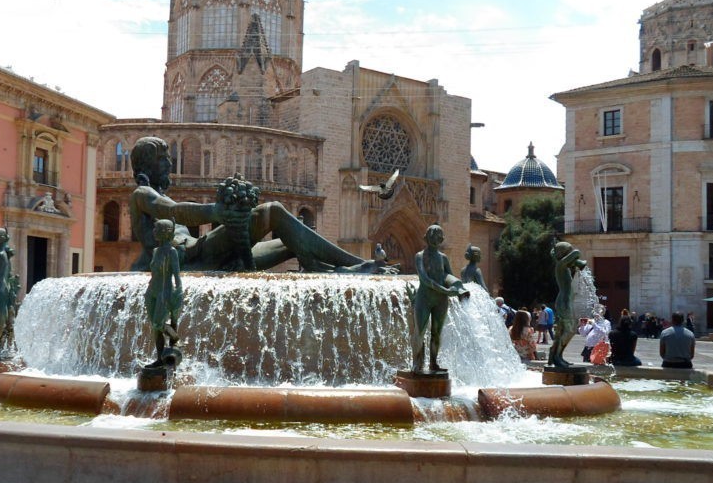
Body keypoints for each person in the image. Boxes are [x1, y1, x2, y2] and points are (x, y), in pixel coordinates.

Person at [128, 136, 386, 273]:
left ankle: (340, 270)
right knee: (271, 211)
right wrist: (216, 211)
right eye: (164, 159)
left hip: (211, 257)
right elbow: (172, 211)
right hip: (196, 258)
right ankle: (358, 264)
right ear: (148, 164)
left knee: (293, 238)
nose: (170, 164)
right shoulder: (142, 194)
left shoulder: (154, 193)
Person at [410, 224, 469, 373]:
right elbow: (424, 278)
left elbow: (448, 275)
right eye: (432, 236)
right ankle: (417, 363)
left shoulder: (443, 258)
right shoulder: (420, 256)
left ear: (441, 239)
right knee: (420, 331)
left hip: (441, 300)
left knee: (436, 332)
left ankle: (433, 363)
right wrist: (444, 289)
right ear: (426, 237)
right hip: (424, 298)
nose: (435, 239)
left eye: (438, 237)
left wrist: (457, 287)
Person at [144, 219, 184, 365]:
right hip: (151, 292)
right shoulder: (156, 251)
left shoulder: (172, 251)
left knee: (158, 324)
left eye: (157, 229)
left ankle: (176, 338)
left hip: (164, 292)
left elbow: (176, 274)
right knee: (155, 329)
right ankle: (159, 359)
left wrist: (178, 292)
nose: (154, 231)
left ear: (165, 232)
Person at [548, 241, 587, 369]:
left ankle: (556, 356)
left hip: (566, 302)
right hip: (563, 302)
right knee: (568, 330)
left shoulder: (564, 266)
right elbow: (577, 252)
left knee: (565, 331)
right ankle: (557, 356)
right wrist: (574, 258)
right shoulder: (560, 266)